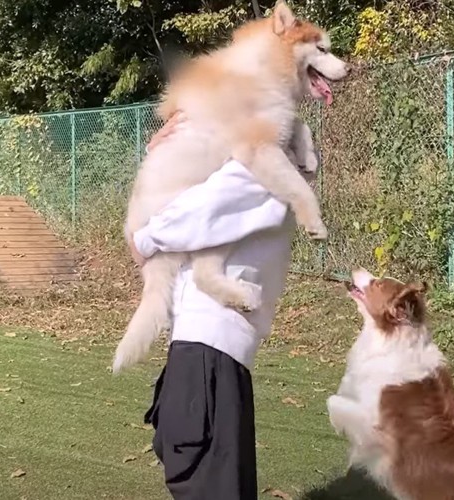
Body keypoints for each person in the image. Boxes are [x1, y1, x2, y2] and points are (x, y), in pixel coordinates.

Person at [132, 112, 318, 500]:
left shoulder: (261, 160)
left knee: (200, 473)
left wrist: (146, 238)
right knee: (185, 450)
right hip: (202, 347)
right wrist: (158, 153)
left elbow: (197, 210)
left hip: (208, 347)